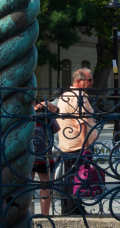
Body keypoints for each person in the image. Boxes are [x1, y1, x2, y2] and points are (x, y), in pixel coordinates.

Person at [34, 67, 96, 216]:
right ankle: (73, 208)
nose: (92, 82)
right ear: (79, 81)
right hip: (77, 145)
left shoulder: (66, 95)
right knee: (76, 178)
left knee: (69, 178)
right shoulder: (79, 97)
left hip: (68, 144)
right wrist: (86, 146)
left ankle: (68, 208)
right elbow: (81, 122)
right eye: (89, 80)